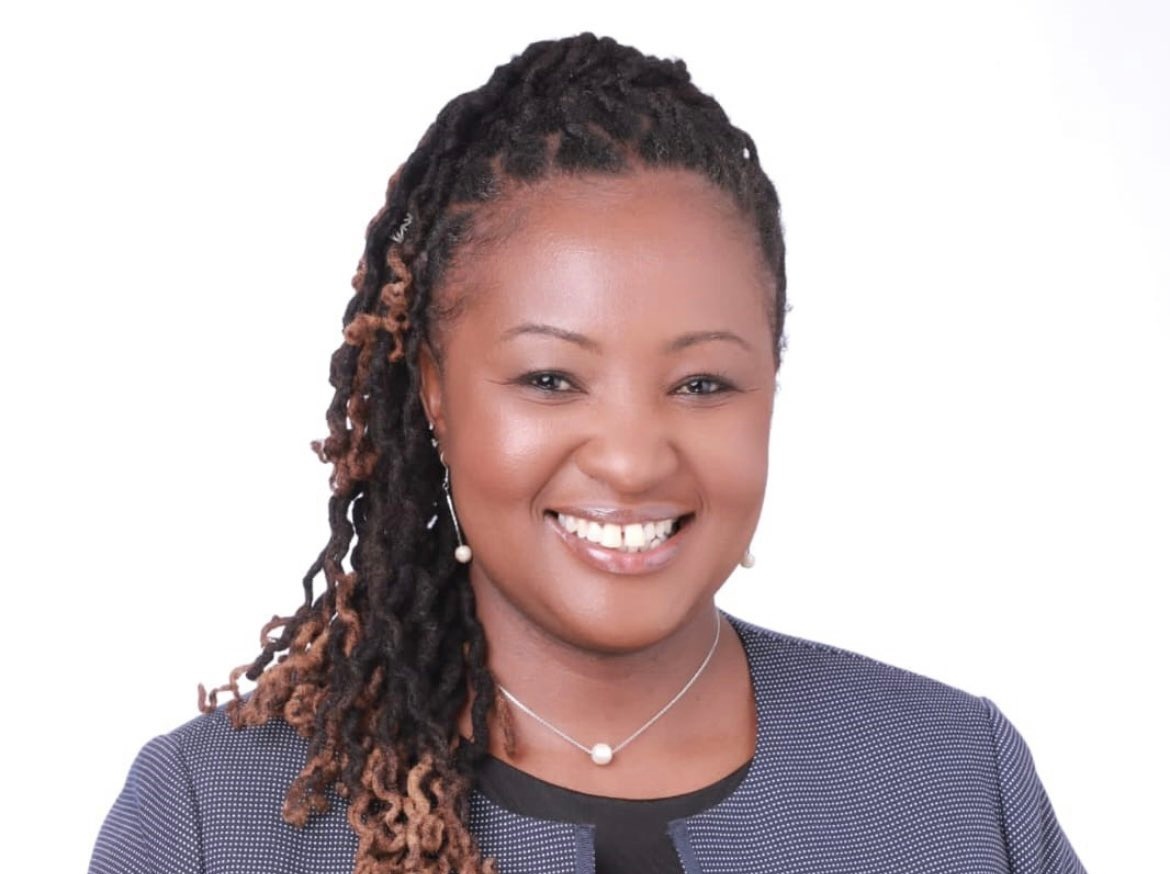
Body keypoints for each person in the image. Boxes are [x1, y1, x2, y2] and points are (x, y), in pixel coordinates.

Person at [90, 33, 1085, 874]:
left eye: (703, 384)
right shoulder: (214, 820)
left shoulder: (956, 784)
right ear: (433, 390)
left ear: (772, 383)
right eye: (550, 379)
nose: (632, 460)